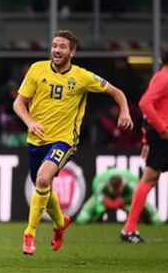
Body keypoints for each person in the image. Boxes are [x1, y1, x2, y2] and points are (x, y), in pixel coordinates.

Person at [13, 29, 133, 255]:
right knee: (43, 187)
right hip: (36, 139)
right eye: (54, 46)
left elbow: (117, 92)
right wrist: (29, 122)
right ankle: (60, 224)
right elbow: (19, 103)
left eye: (62, 47)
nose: (57, 50)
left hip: (64, 140)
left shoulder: (82, 77)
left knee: (42, 178)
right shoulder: (37, 70)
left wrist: (124, 112)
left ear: (73, 52)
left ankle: (29, 234)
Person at [121, 50, 168, 243]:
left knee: (150, 177)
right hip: (163, 135)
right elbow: (145, 103)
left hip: (158, 134)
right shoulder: (164, 78)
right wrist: (161, 129)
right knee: (149, 177)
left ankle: (129, 228)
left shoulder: (161, 76)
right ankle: (129, 229)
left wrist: (146, 137)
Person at [77, 168, 160, 225]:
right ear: (108, 186)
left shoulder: (132, 183)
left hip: (127, 198)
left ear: (123, 186)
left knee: (156, 220)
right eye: (114, 191)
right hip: (106, 198)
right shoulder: (99, 182)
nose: (115, 194)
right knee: (82, 219)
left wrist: (123, 201)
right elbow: (97, 198)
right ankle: (98, 219)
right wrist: (105, 203)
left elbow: (138, 197)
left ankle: (137, 220)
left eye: (117, 192)